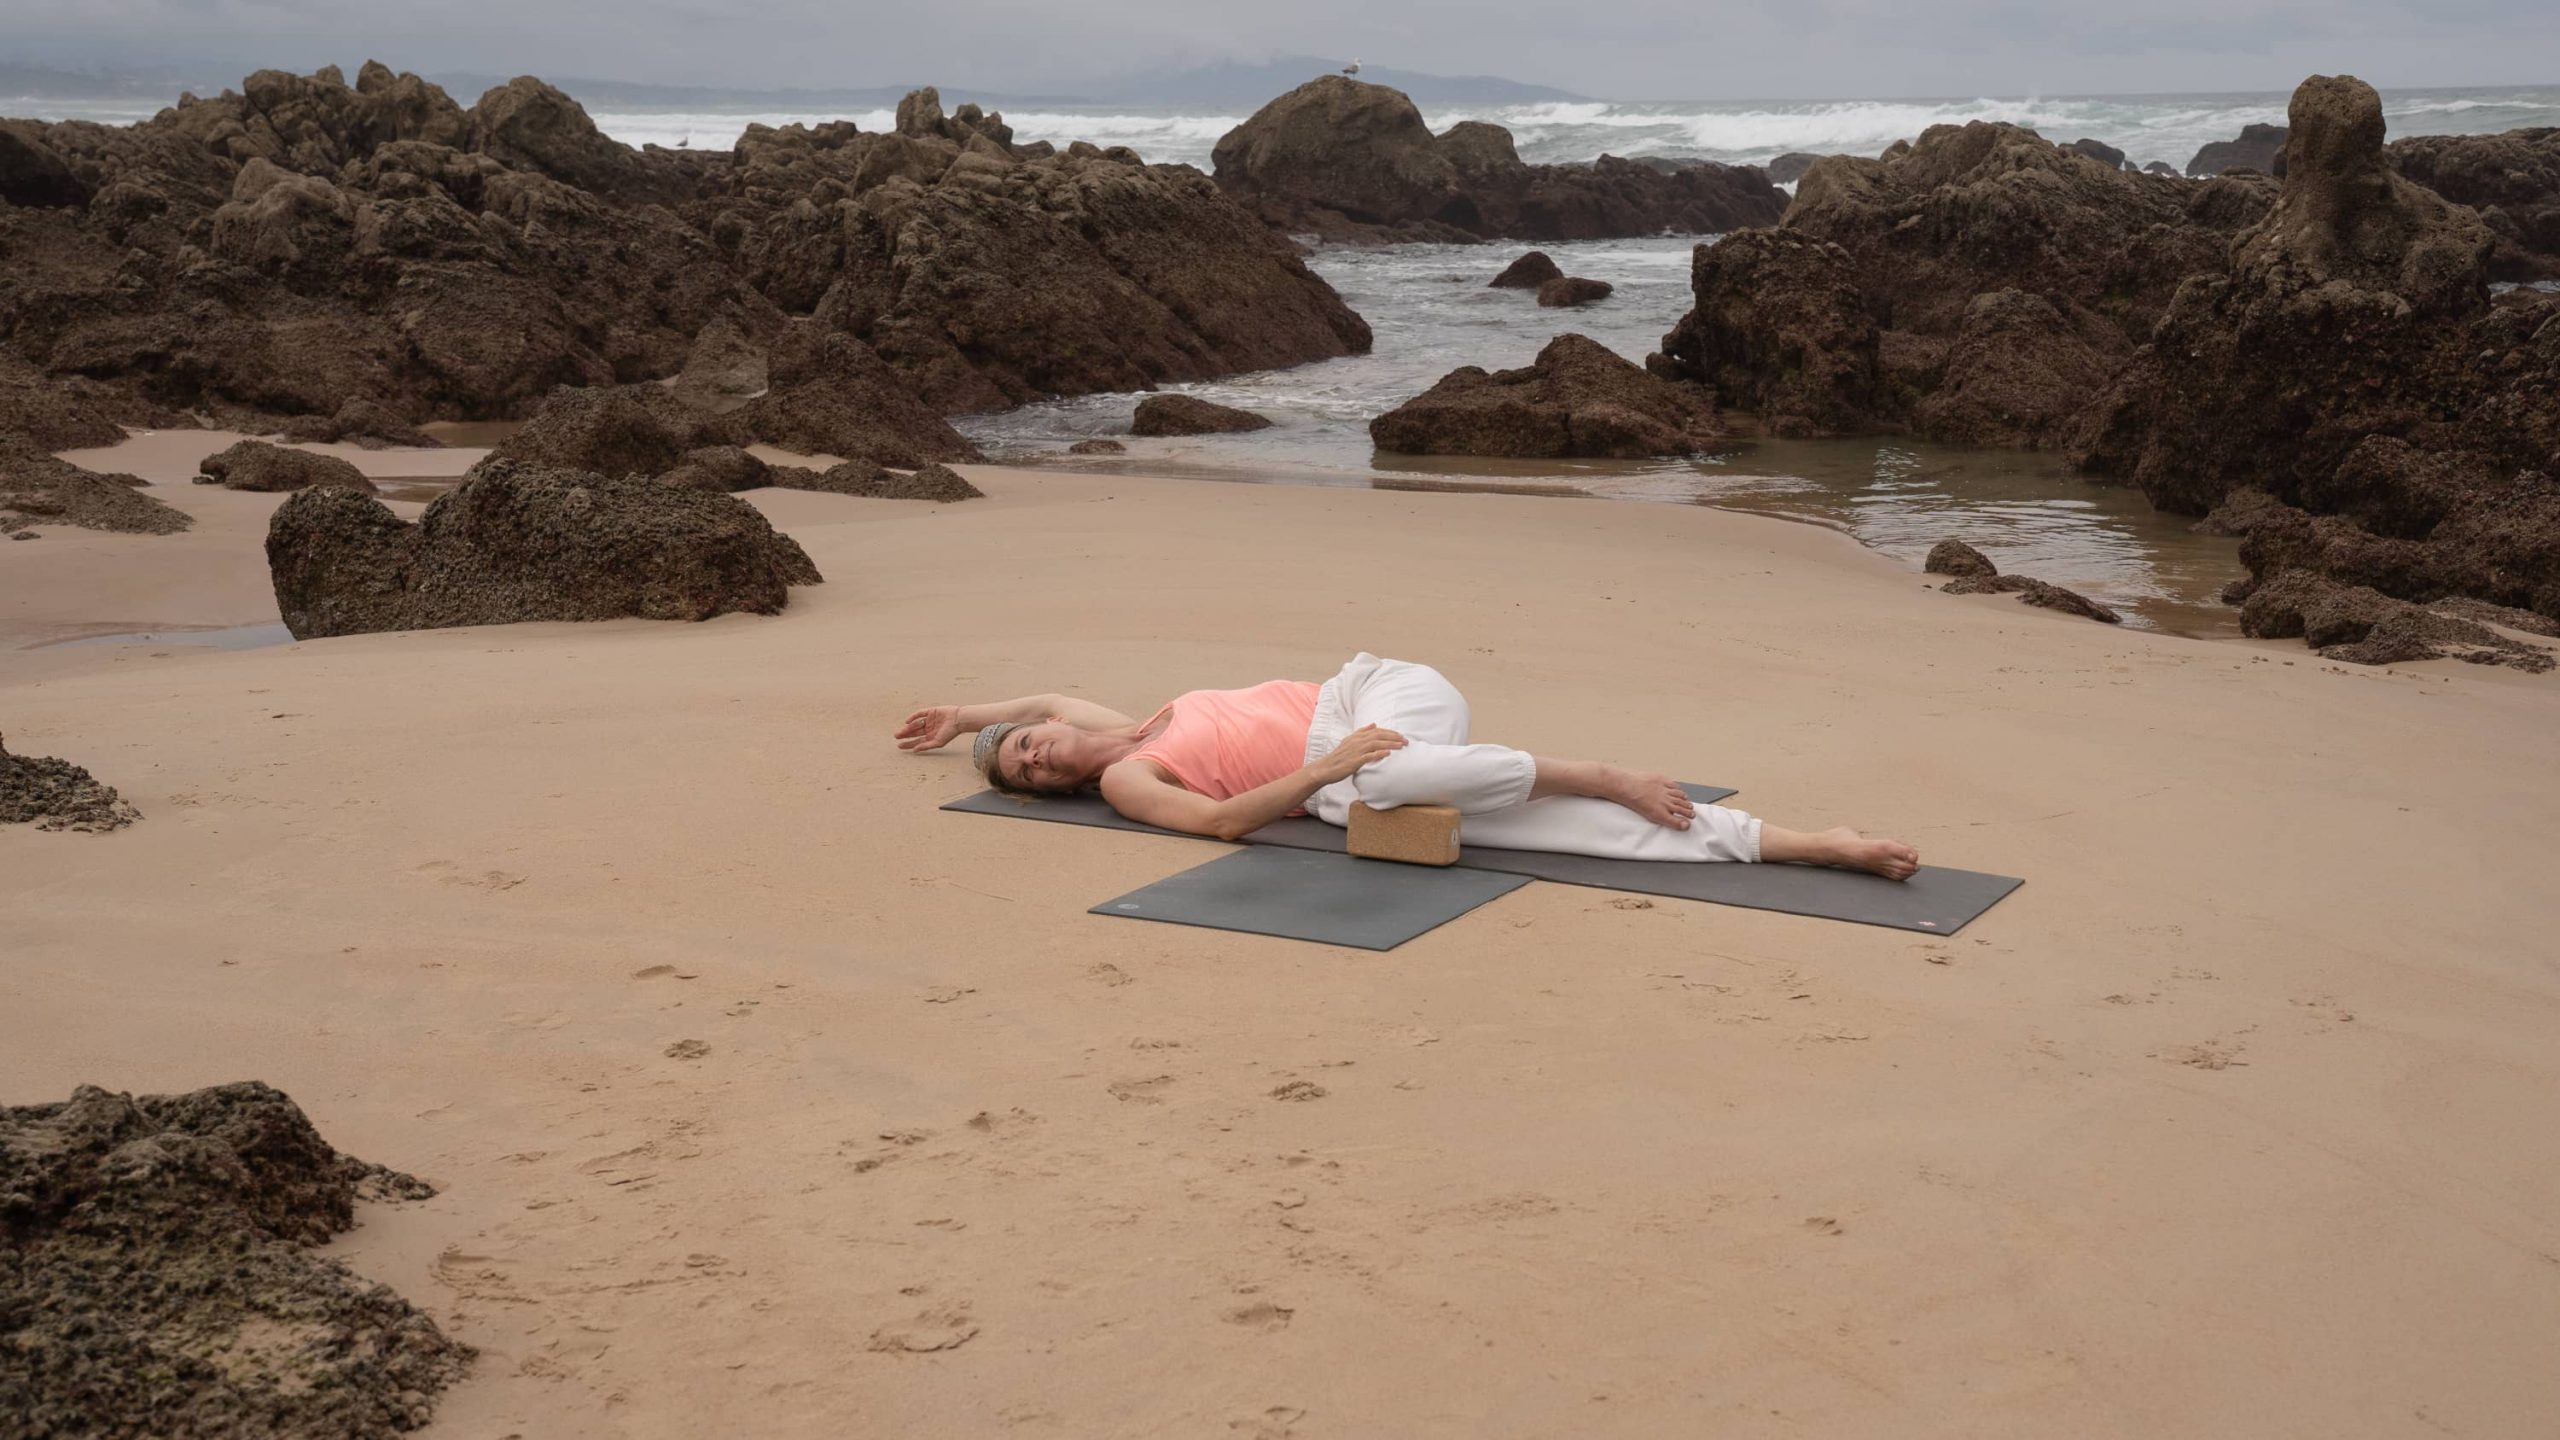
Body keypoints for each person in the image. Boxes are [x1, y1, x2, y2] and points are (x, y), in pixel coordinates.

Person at [896, 652, 1919, 879]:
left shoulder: (1120, 719)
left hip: (1370, 694)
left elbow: (1032, 699)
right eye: (1026, 770)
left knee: (1390, 779)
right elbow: (1217, 826)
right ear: (1059, 785)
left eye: (1029, 743)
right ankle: (1806, 844)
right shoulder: (1126, 778)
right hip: (1345, 768)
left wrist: (962, 721)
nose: (1034, 747)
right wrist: (1323, 770)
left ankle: (1596, 766)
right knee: (1403, 795)